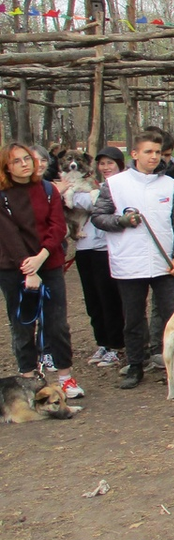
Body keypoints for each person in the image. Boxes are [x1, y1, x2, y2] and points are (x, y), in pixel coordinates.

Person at [92, 130, 174, 389]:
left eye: (157, 152)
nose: (154, 157)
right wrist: (121, 221)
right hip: (129, 261)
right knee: (134, 318)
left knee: (173, 315)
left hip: (164, 262)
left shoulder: (169, 184)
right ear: (134, 154)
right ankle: (136, 364)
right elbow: (98, 216)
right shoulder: (115, 184)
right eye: (148, 152)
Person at [0, 143, 82, 399]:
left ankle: (65, 377)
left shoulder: (48, 190)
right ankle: (28, 379)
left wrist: (42, 257)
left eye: (27, 158)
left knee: (57, 323)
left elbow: (57, 227)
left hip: (49, 263)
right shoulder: (3, 196)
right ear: (6, 167)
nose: (24, 164)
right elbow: (9, 235)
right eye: (16, 161)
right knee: (23, 324)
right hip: (14, 267)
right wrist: (29, 268)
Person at [53, 146, 126, 368]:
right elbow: (73, 201)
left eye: (110, 163)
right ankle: (102, 343)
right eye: (102, 163)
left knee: (109, 299)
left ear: (119, 165)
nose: (106, 167)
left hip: (107, 249)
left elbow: (91, 203)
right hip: (84, 247)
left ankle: (116, 345)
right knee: (93, 300)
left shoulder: (122, 186)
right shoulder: (93, 185)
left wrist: (77, 196)